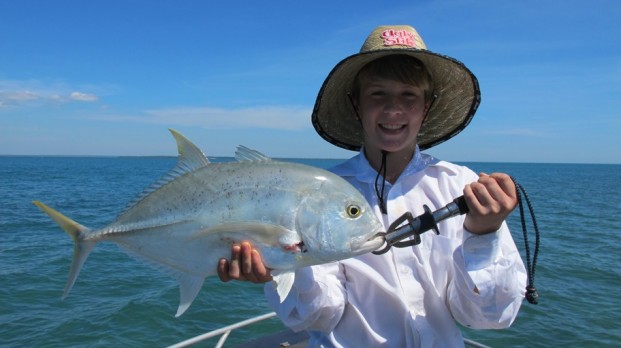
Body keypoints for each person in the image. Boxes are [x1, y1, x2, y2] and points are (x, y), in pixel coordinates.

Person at [217, 25, 527, 347]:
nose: (393, 109)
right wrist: (284, 265)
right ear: (357, 104)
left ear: (426, 106)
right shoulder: (319, 195)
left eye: (409, 95)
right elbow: (320, 317)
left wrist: (483, 233)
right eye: (378, 94)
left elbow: (489, 317)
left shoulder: (461, 187)